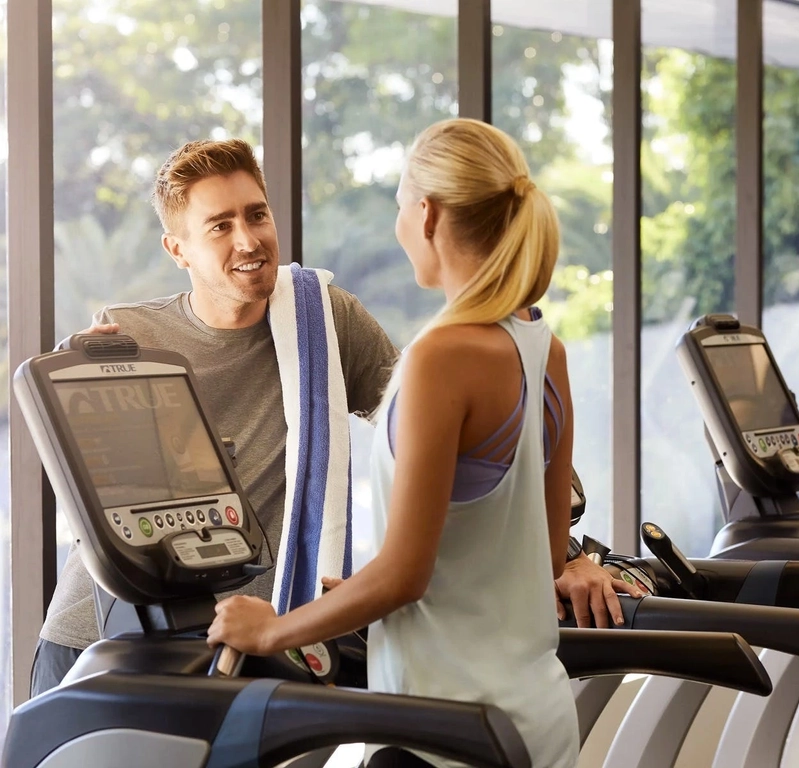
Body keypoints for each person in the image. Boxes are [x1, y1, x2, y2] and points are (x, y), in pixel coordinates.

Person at [31, 137, 639, 698]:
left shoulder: (325, 322)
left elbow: (468, 439)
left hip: (248, 641)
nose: (247, 240)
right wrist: (83, 389)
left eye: (256, 214)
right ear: (177, 249)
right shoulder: (129, 337)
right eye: (219, 225)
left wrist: (571, 555)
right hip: (104, 635)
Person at [208, 118, 584, 768]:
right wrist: (351, 597)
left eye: (398, 207)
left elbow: (405, 575)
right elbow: (544, 550)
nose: (398, 226)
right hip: (539, 721)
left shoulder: (443, 354)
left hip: (446, 733)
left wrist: (271, 628)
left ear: (428, 213)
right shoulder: (544, 350)